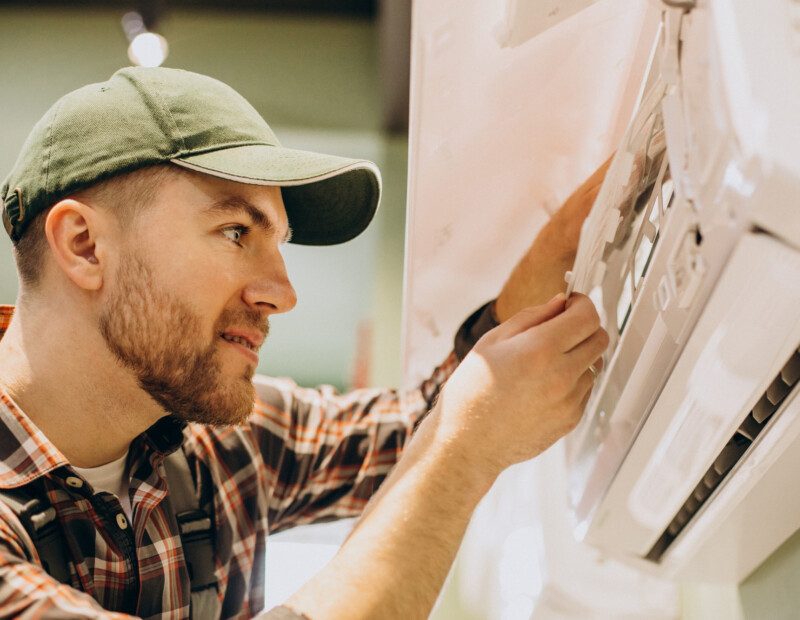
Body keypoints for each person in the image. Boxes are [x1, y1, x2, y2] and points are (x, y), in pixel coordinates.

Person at [0, 67, 609, 619]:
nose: (284, 294)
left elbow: (422, 426)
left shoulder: (221, 444)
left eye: (279, 242)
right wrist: (464, 454)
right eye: (235, 231)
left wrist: (559, 252)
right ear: (84, 245)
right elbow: (450, 438)